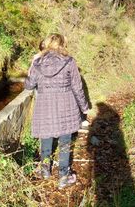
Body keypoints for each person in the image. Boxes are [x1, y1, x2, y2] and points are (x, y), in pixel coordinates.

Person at [24, 33, 89, 189]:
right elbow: (77, 87)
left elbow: (28, 86)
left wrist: (30, 68)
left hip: (44, 105)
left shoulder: (37, 61)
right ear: (62, 44)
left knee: (45, 138)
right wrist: (84, 108)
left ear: (46, 43)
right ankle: (63, 177)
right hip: (66, 104)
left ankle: (45, 171)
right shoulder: (69, 61)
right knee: (65, 142)